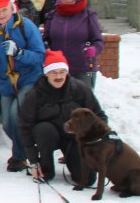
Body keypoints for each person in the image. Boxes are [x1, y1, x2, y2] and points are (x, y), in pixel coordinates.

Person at [0, 0, 46, 173]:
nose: (1, 14)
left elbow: (40, 56)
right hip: (5, 82)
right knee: (7, 123)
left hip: (29, 79)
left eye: (4, 10)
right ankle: (27, 148)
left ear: (12, 8)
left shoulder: (26, 26)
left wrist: (20, 53)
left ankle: (18, 156)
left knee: (17, 115)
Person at [20, 51, 106, 184]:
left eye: (62, 72)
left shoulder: (80, 89)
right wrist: (34, 162)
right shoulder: (34, 95)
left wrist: (99, 139)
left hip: (73, 139)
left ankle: (75, 161)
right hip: (47, 138)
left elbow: (99, 115)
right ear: (46, 73)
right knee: (44, 129)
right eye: (53, 72)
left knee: (87, 180)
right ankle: (46, 168)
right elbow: (25, 128)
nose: (58, 76)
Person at [42, 0, 104, 88]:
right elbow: (45, 39)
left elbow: (98, 40)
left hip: (83, 68)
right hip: (58, 69)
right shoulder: (52, 16)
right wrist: (46, 47)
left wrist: (94, 49)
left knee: (82, 101)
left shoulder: (88, 15)